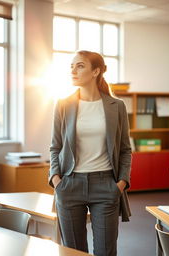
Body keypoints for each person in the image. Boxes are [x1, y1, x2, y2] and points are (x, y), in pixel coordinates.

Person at [49, 50, 132, 256]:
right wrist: (56, 179)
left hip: (105, 186)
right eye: (71, 66)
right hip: (69, 185)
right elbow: (55, 146)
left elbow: (125, 150)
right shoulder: (63, 105)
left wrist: (121, 183)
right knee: (73, 252)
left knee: (106, 251)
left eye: (80, 66)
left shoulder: (117, 106)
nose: (73, 71)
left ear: (96, 71)